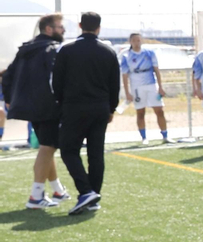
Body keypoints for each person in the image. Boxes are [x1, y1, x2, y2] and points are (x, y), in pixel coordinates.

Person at [51, 11, 119, 215]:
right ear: (99, 27)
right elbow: (114, 85)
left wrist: (62, 103)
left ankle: (86, 191)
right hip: (100, 108)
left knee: (68, 150)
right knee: (96, 153)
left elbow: (57, 82)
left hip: (74, 107)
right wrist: (111, 108)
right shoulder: (108, 51)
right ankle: (93, 195)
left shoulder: (67, 50)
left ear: (80, 26)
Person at [2, 13, 69, 208]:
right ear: (49, 29)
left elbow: (7, 77)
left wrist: (9, 99)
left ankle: (57, 190)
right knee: (48, 148)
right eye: (60, 26)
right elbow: (58, 80)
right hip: (49, 107)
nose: (63, 30)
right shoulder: (53, 49)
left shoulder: (26, 48)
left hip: (32, 107)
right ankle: (36, 196)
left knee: (47, 147)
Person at [120, 32, 167, 143]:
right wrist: (127, 92)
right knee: (140, 112)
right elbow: (125, 75)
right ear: (130, 42)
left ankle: (165, 135)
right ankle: (144, 137)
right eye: (134, 40)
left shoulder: (149, 53)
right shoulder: (126, 56)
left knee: (159, 110)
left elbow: (156, 70)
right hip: (137, 86)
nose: (137, 43)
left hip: (151, 84)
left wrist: (160, 87)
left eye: (138, 40)